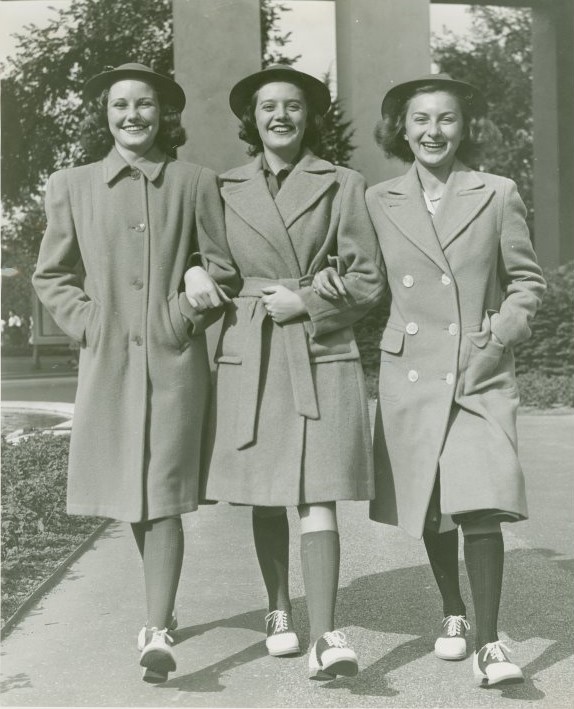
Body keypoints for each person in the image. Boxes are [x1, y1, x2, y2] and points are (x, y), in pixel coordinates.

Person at [315, 72, 546, 687]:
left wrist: (500, 333)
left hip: (478, 369)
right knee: (435, 503)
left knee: (482, 500)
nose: (433, 131)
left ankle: (491, 643)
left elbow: (527, 281)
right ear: (402, 129)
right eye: (420, 120)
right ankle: (452, 613)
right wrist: (322, 289)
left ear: (463, 126)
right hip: (410, 370)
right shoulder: (378, 200)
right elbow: (362, 277)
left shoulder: (497, 193)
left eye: (445, 119)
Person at [32, 62, 237, 683]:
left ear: (163, 114)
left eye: (144, 105)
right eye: (120, 105)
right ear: (106, 113)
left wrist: (181, 315)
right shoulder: (71, 185)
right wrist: (91, 324)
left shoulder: (195, 181)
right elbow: (52, 275)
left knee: (165, 491)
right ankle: (162, 611)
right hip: (110, 361)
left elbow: (223, 271)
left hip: (176, 361)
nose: (132, 116)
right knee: (134, 492)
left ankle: (155, 627)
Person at [184, 64, 385, 680]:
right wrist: (193, 271)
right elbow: (213, 266)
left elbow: (367, 277)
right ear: (252, 120)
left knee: (316, 490)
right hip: (251, 345)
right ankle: (278, 611)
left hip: (316, 348)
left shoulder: (345, 183)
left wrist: (313, 302)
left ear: (309, 116)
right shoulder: (222, 186)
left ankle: (326, 632)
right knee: (265, 491)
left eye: (293, 106)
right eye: (268, 107)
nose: (280, 116)